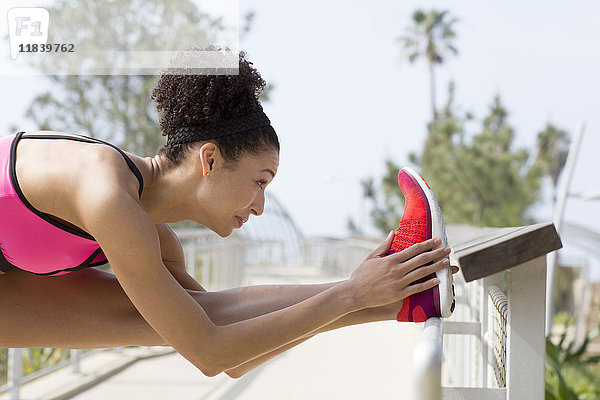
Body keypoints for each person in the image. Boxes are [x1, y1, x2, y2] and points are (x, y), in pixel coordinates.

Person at [0, 48, 456, 379]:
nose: (260, 206)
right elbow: (210, 353)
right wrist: (351, 295)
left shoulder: (156, 240)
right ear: (210, 160)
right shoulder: (106, 195)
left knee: (178, 318)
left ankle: (408, 299)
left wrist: (368, 287)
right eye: (260, 181)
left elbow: (229, 348)